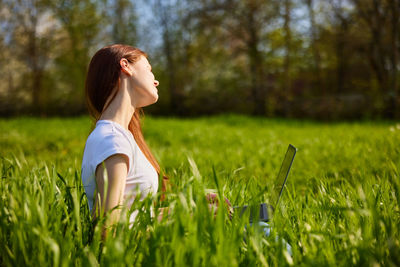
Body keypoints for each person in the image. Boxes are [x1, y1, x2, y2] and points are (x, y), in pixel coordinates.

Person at [81, 44, 167, 235]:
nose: (156, 81)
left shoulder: (119, 137)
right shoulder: (111, 139)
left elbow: (134, 218)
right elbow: (106, 231)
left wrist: (193, 209)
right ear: (125, 66)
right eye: (149, 70)